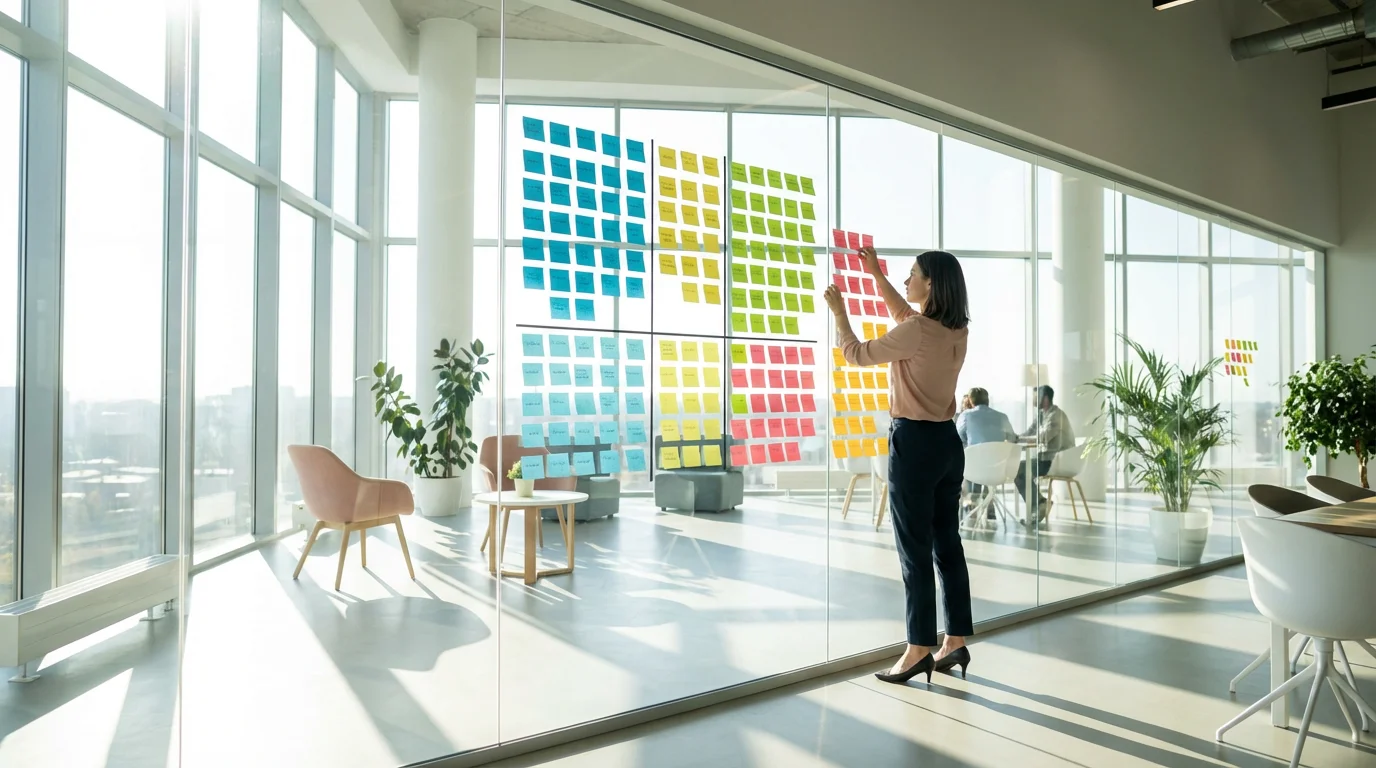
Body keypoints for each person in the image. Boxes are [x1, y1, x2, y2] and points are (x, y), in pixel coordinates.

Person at [824, 246, 973, 685]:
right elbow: (905, 314)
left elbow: (855, 353)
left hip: (915, 443)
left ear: (930, 284)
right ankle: (956, 640)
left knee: (913, 552)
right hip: (948, 443)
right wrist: (874, 272)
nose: (906, 282)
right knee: (948, 546)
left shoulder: (918, 332)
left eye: (912, 275)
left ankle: (918, 648)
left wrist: (839, 312)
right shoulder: (955, 330)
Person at [1015, 384, 1076, 517]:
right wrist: (1016, 438)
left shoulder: (1056, 415)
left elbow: (1044, 437)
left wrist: (1023, 440)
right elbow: (1030, 431)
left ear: (1046, 398)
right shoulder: (1042, 414)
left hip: (1056, 461)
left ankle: (1039, 505)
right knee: (1017, 469)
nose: (1033, 400)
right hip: (1046, 459)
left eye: (1036, 397)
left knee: (1019, 470)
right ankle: (1040, 503)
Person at [956, 387, 1016, 518]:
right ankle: (988, 504)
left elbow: (958, 438)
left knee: (971, 461)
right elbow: (1012, 439)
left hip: (976, 469)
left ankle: (974, 504)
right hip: (999, 469)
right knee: (981, 462)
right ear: (987, 400)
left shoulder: (966, 416)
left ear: (971, 401)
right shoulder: (1002, 416)